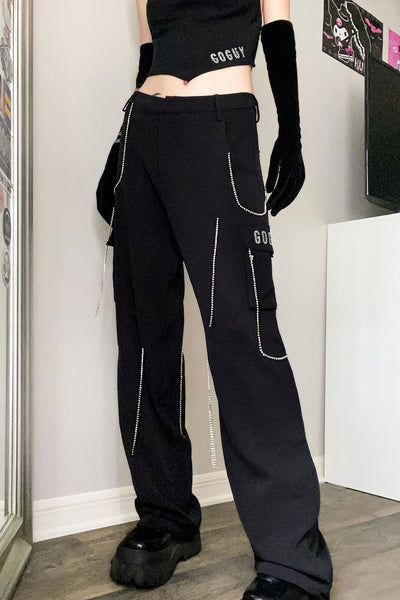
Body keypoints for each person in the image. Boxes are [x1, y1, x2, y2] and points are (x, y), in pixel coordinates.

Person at [96, 1, 334, 598]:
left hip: (219, 123)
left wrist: (291, 132)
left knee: (242, 332)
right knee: (144, 335)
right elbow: (150, 53)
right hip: (144, 129)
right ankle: (166, 514)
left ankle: (292, 553)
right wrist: (122, 143)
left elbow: (277, 25)